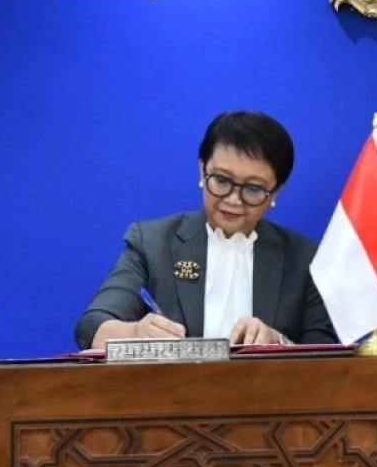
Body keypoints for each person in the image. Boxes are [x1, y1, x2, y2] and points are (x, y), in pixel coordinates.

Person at [75, 110, 338, 349]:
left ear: (276, 192)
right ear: (202, 170)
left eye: (253, 188)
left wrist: (278, 342)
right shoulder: (153, 243)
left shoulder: (304, 259)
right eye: (222, 180)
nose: (233, 199)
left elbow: (324, 353)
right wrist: (134, 332)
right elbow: (92, 326)